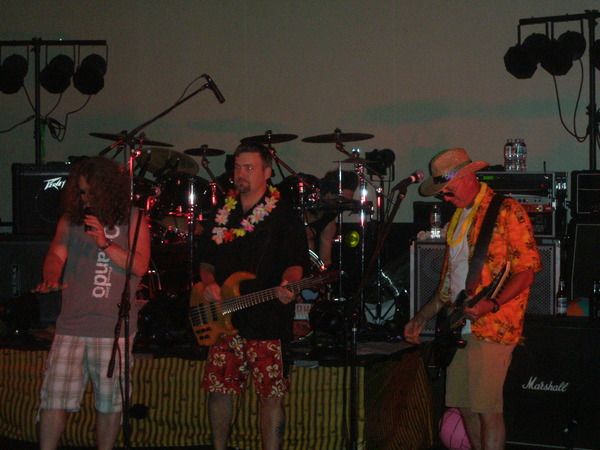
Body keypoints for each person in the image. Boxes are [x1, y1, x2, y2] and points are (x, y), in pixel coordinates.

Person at [403, 148, 541, 450]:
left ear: (467, 177)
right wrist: (421, 317)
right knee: (464, 406)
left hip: (493, 326)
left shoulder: (506, 210)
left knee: (487, 409)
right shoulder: (459, 218)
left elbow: (526, 272)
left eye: (448, 190)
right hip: (460, 325)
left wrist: (492, 303)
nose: (445, 198)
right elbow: (449, 285)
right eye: (442, 193)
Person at [197, 142, 309, 450]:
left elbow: (296, 263)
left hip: (266, 317)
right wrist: (208, 283)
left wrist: (289, 284)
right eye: (237, 167)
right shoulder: (223, 211)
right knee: (219, 389)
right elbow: (205, 261)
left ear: (267, 173)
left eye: (249, 167)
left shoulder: (284, 215)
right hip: (224, 317)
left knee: (271, 395)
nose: (241, 173)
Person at [34, 156, 151, 450]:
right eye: (82, 192)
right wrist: (51, 277)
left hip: (113, 328)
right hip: (71, 325)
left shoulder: (133, 218)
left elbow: (139, 266)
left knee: (110, 403)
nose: (86, 198)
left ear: (108, 189)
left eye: (91, 192)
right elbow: (56, 254)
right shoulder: (71, 220)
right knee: (54, 399)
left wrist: (105, 243)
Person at [305, 169, 359, 268]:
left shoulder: (330, 217)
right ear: (328, 193)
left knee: (329, 229)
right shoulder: (308, 196)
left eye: (346, 201)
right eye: (340, 200)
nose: (341, 205)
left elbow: (325, 258)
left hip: (321, 221)